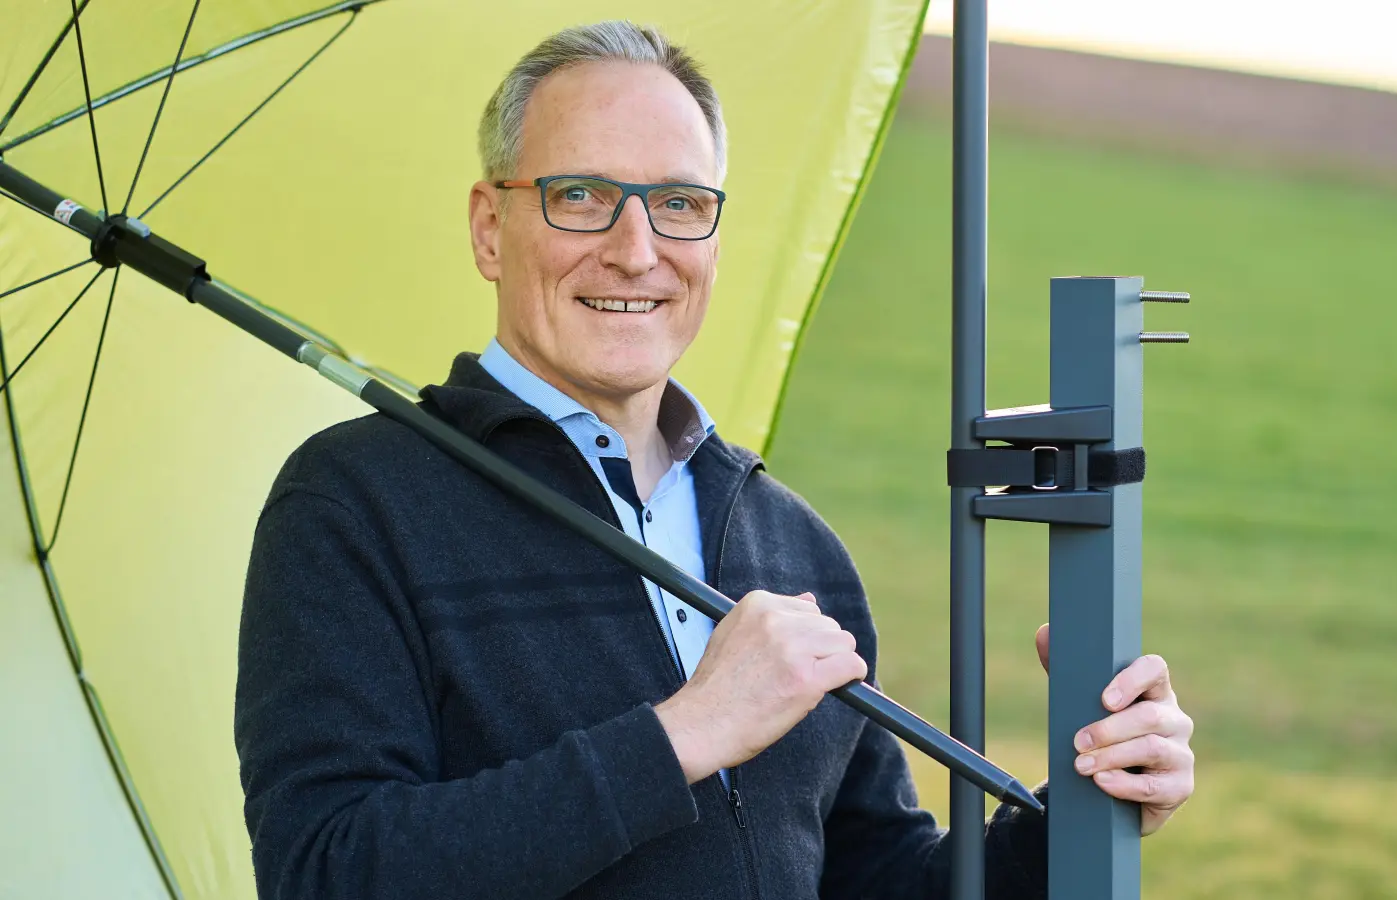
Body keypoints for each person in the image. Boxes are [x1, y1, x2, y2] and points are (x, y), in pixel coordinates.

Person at [234, 20, 1195, 900]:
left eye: (679, 204)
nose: (636, 249)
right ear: (492, 228)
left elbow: (879, 881)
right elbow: (327, 868)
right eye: (581, 196)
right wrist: (688, 732)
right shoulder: (356, 502)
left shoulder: (790, 546)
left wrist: (1079, 812)